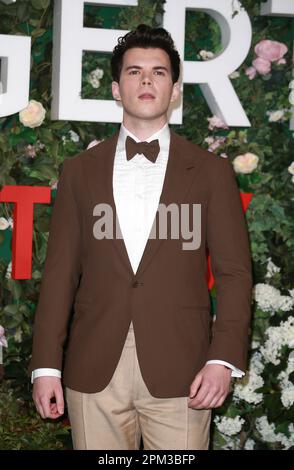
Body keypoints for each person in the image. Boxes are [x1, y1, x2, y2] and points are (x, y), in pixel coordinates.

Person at [29, 24, 253, 450]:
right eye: (134, 72)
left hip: (184, 370)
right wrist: (45, 367)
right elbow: (59, 275)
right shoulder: (79, 172)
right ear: (116, 89)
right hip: (93, 368)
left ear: (174, 90)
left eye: (159, 72)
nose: (146, 80)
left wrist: (222, 360)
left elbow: (234, 274)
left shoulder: (211, 172)